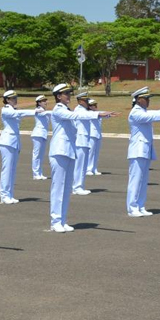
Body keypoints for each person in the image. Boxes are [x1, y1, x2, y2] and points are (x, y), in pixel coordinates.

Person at [47, 84, 110, 231]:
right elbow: (76, 116)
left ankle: (62, 220)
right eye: (66, 94)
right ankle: (55, 221)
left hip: (69, 151)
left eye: (69, 93)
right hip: (59, 151)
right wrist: (97, 114)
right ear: (58, 96)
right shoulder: (58, 110)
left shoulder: (66, 110)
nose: (69, 96)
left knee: (66, 188)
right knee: (58, 188)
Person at [126, 87, 160, 217]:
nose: (148, 101)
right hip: (137, 150)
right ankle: (132, 208)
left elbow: (153, 112)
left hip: (145, 150)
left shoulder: (143, 111)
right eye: (146, 98)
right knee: (135, 180)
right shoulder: (135, 113)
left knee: (143, 181)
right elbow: (152, 116)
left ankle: (140, 206)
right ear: (139, 100)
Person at [0, 90, 38, 204]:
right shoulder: (6, 110)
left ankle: (9, 194)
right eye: (13, 98)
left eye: (16, 98)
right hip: (7, 142)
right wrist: (34, 111)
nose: (15, 100)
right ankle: (4, 195)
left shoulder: (14, 110)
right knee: (7, 169)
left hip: (14, 142)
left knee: (12, 169)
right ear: (7, 100)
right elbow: (19, 114)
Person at [72, 91, 94, 196]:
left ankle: (79, 186)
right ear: (80, 101)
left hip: (84, 141)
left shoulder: (84, 110)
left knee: (83, 166)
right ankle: (77, 187)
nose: (87, 103)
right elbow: (88, 115)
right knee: (79, 165)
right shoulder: (79, 110)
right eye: (85, 101)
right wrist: (102, 114)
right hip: (80, 141)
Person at [31, 95, 51, 180]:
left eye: (45, 100)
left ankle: (40, 173)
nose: (45, 102)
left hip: (43, 134)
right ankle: (35, 174)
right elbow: (43, 113)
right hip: (37, 134)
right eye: (43, 101)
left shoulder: (44, 111)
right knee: (36, 154)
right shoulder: (38, 110)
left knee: (41, 155)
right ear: (39, 103)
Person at [86, 98, 103, 175]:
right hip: (92, 134)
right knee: (91, 152)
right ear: (89, 107)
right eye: (94, 105)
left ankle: (94, 168)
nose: (96, 106)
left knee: (96, 153)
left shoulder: (97, 113)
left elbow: (104, 113)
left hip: (98, 134)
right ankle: (88, 169)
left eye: (96, 105)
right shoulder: (89, 113)